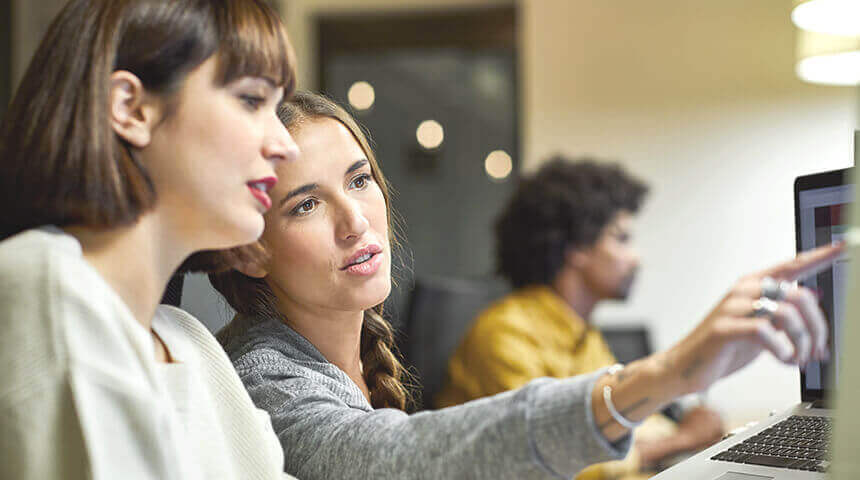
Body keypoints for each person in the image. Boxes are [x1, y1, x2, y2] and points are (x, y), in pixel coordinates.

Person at [210, 91, 841, 480]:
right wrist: (672, 372)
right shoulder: (263, 376)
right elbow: (389, 460)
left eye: (358, 180)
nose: (355, 221)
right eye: (303, 206)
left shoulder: (349, 357)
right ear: (250, 244)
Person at [0, 1, 301, 478]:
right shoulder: (44, 284)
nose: (286, 144)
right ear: (131, 108)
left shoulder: (190, 342)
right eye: (251, 100)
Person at [436, 158, 723, 479]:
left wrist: (691, 428)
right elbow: (548, 456)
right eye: (621, 239)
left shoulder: (583, 335)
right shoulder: (503, 334)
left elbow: (628, 421)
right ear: (577, 248)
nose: (636, 257)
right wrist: (682, 439)